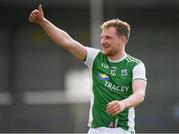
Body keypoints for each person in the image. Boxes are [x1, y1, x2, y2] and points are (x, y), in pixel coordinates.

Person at [29, 5, 147, 134]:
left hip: (121, 130)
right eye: (102, 37)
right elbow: (66, 41)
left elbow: (139, 94)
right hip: (95, 130)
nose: (102, 41)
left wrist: (123, 104)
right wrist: (42, 21)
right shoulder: (95, 57)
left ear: (122, 40)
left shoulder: (135, 65)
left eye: (108, 38)